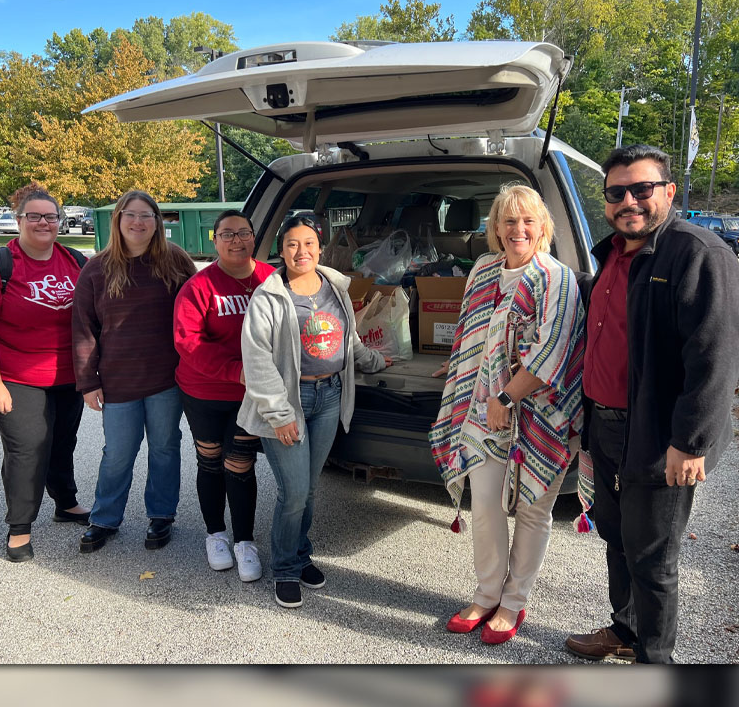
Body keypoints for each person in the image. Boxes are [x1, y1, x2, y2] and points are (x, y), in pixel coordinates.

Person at [565, 144, 739, 664]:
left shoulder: (697, 253)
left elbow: (715, 358)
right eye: (617, 193)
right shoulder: (612, 254)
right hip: (605, 425)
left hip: (660, 434)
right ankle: (626, 629)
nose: (629, 201)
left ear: (668, 191)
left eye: (642, 189)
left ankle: (654, 662)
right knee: (616, 536)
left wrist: (689, 443)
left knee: (653, 554)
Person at [430, 184, 589, 645]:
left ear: (542, 227)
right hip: (485, 408)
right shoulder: (483, 268)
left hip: (540, 416)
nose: (518, 229)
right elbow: (471, 327)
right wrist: (460, 362)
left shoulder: (554, 277)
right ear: (495, 227)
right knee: (485, 506)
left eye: (528, 221)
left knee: (533, 511)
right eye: (509, 220)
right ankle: (485, 596)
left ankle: (514, 604)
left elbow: (553, 352)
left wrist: (506, 399)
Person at [238, 215, 392, 608]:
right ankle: (286, 568)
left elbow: (349, 341)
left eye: (308, 243)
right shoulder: (269, 297)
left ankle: (300, 554)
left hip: (330, 398)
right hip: (291, 402)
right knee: (293, 493)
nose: (301, 251)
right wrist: (279, 414)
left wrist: (376, 361)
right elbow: (256, 361)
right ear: (281, 250)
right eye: (292, 244)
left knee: (307, 490)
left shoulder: (336, 288)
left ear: (319, 248)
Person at [72, 189, 196, 554]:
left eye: (147, 215)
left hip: (166, 378)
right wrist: (87, 381)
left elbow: (196, 311)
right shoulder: (96, 268)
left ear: (158, 222)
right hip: (118, 380)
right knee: (118, 453)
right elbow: (83, 328)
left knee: (164, 448)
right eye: (131, 214)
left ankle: (161, 516)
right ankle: (104, 518)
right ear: (118, 220)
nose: (138, 222)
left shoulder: (175, 261)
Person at [0, 183, 90, 562]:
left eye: (51, 216)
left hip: (67, 375)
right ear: (19, 220)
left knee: (61, 440)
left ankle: (65, 502)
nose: (43, 222)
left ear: (60, 221)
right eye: (34, 216)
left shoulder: (76, 261)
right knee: (29, 445)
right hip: (12, 376)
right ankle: (20, 526)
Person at [174, 210, 274, 581]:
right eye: (227, 234)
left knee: (241, 462)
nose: (236, 240)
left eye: (243, 233)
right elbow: (188, 342)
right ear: (214, 241)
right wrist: (236, 371)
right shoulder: (199, 287)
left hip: (252, 394)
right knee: (210, 458)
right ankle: (216, 533)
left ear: (254, 238)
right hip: (204, 390)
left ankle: (245, 541)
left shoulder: (271, 280)